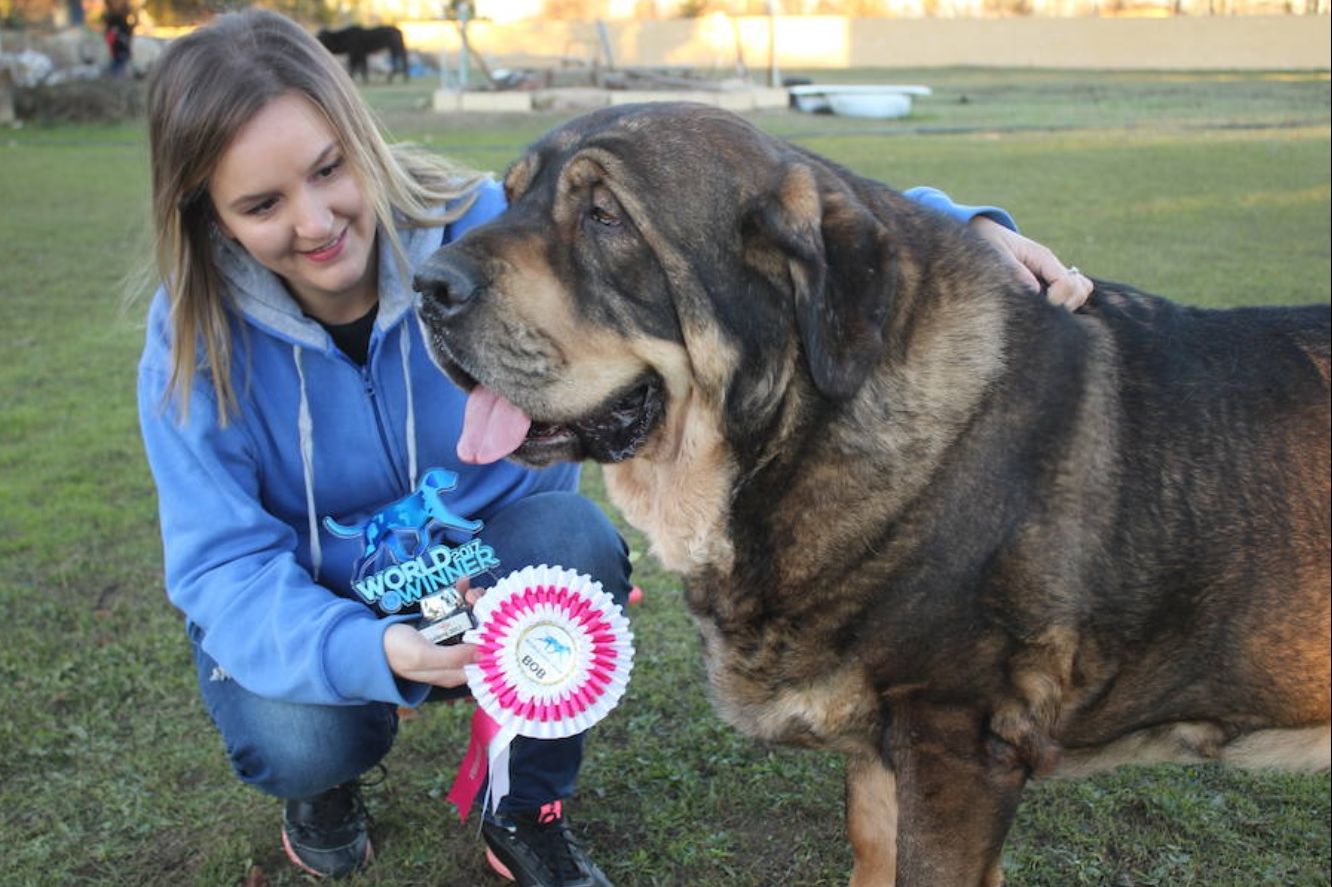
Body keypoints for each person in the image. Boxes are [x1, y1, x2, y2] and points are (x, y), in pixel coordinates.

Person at [136, 9, 1091, 886]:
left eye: (329, 168)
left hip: (474, 567)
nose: (316, 220)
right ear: (208, 216)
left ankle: (527, 809)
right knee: (299, 733)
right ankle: (324, 785)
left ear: (360, 136)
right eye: (261, 206)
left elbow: (729, 204)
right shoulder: (191, 345)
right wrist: (364, 646)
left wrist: (963, 228)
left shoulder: (469, 225)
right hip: (322, 598)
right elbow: (221, 567)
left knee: (574, 548)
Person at [102, 0, 135, 78]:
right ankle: (116, 74)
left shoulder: (121, 20)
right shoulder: (113, 19)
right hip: (118, 46)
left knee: (119, 61)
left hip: (120, 46)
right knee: (118, 61)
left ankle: (117, 74)